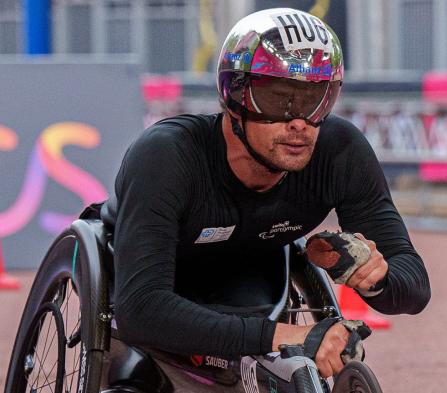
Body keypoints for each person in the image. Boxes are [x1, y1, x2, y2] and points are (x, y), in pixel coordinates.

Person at [101, 7, 430, 379]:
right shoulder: (166, 155)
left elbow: (415, 287)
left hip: (252, 278)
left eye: (315, 100)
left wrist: (376, 279)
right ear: (235, 98)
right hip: (152, 279)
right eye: (278, 99)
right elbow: (140, 309)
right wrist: (288, 336)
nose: (299, 123)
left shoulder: (339, 152)